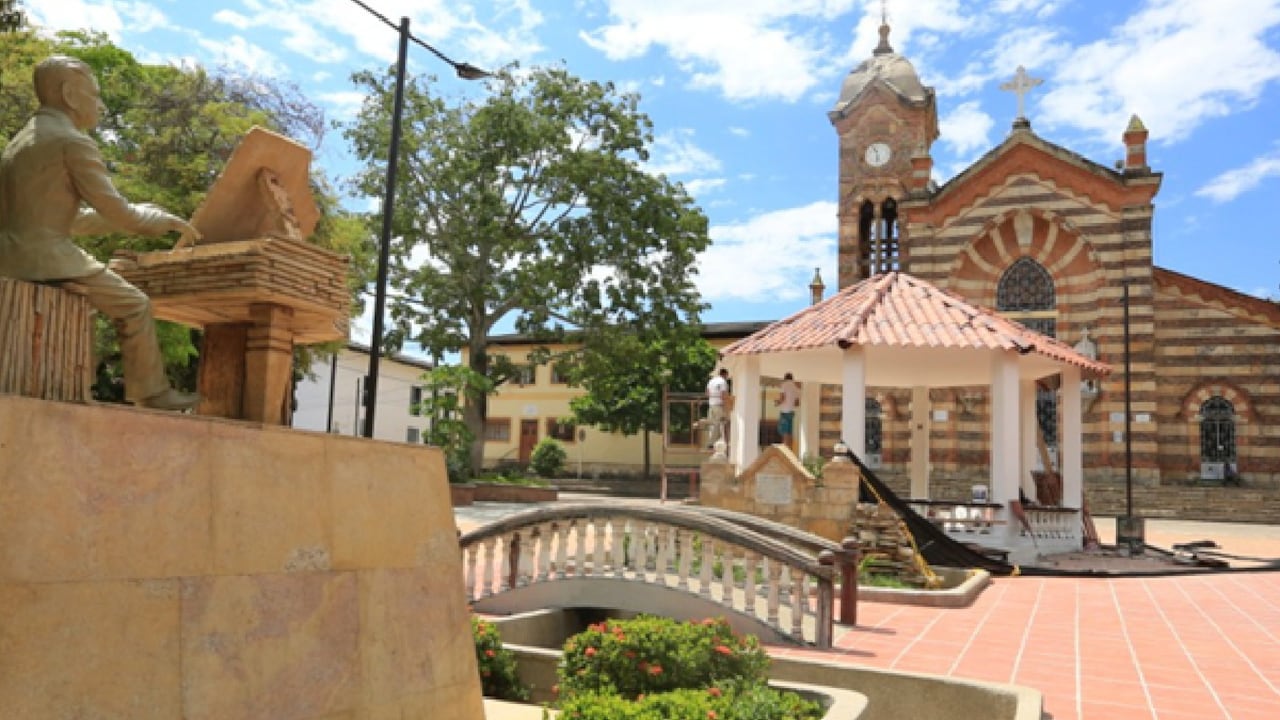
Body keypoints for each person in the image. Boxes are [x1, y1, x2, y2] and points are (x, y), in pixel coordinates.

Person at [0, 56, 201, 411]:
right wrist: (160, 221)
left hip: (10, 255)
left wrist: (141, 210)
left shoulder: (19, 143)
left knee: (96, 310)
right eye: (94, 94)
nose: (100, 104)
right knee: (135, 306)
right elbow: (120, 214)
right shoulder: (72, 142)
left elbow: (69, 220)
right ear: (69, 94)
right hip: (47, 257)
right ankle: (152, 393)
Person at [704, 368, 731, 449]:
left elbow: (707, 393)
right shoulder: (723, 382)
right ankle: (715, 443)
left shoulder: (711, 381)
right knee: (722, 423)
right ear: (725, 374)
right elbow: (724, 394)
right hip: (719, 405)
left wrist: (713, 397)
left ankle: (711, 442)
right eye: (727, 376)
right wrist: (727, 405)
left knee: (712, 424)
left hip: (711, 405)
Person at [775, 372, 800, 451]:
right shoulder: (796, 387)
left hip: (785, 411)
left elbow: (782, 398)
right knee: (789, 432)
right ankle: (789, 450)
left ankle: (785, 450)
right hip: (791, 412)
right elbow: (797, 403)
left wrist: (777, 403)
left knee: (784, 432)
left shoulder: (784, 385)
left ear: (785, 378)